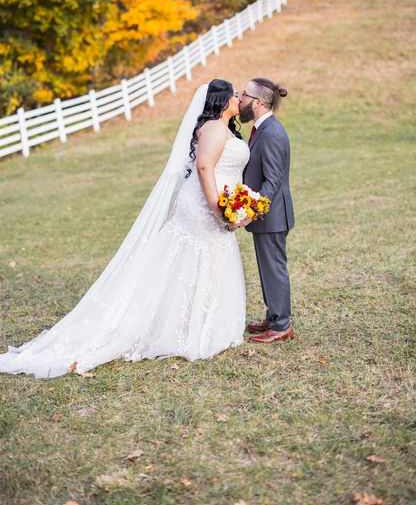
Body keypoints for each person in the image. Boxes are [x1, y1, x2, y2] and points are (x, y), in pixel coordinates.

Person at [0, 80, 250, 378]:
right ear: (222, 100)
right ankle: (186, 329)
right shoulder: (213, 128)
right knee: (192, 261)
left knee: (199, 263)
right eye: (235, 94)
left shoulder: (224, 128)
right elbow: (204, 168)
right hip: (204, 206)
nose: (238, 98)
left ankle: (197, 325)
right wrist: (218, 208)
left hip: (216, 204)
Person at [239, 77, 295, 343]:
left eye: (244, 95)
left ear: (258, 102)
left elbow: (272, 182)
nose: (240, 99)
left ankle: (282, 325)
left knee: (274, 269)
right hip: (267, 216)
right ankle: (273, 317)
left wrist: (253, 211)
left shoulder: (271, 133)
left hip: (272, 216)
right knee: (267, 269)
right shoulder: (262, 128)